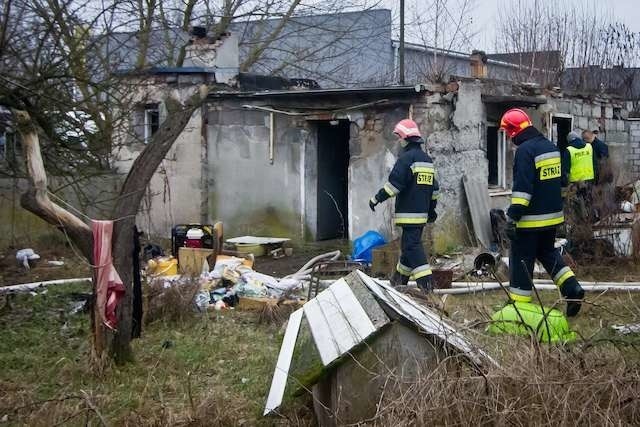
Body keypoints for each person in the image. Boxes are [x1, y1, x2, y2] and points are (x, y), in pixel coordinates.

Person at [500, 109, 584, 317]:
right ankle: (572, 288)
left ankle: (520, 309)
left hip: (530, 221)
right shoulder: (551, 147)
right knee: (548, 253)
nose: (509, 138)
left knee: (521, 259)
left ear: (513, 131)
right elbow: (561, 181)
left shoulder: (525, 151)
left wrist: (513, 216)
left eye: (508, 133)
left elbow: (523, 190)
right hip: (552, 217)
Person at [369, 119, 439, 292]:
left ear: (404, 139)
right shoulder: (427, 160)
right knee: (407, 250)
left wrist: (376, 198)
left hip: (408, 215)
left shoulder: (406, 159)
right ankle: (397, 283)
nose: (399, 141)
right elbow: (434, 190)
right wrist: (431, 211)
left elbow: (394, 186)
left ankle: (428, 288)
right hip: (422, 215)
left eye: (399, 138)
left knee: (412, 248)